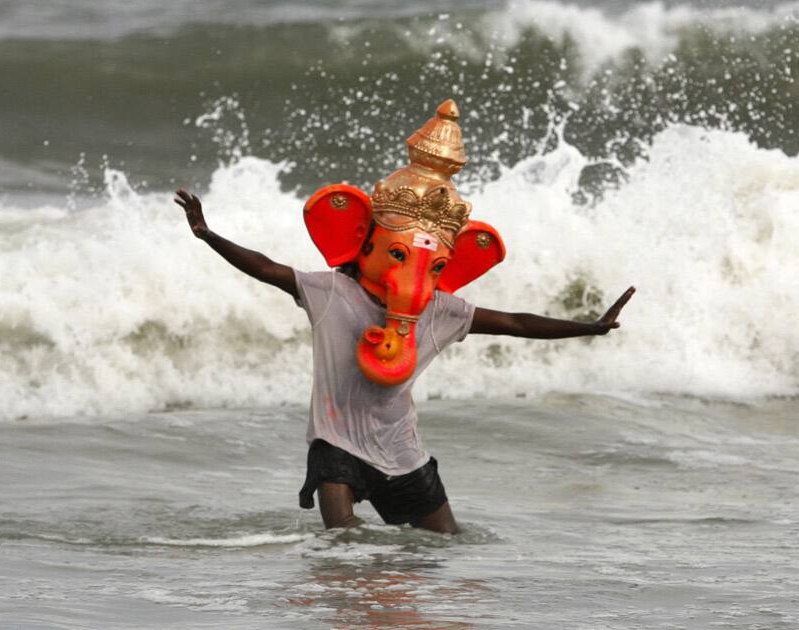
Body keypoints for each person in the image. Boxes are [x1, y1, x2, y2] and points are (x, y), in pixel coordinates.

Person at [174, 100, 634, 535]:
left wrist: (588, 327)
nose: (416, 276)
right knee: (344, 546)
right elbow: (265, 267)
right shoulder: (331, 292)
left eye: (433, 268)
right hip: (337, 446)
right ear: (365, 243)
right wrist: (207, 234)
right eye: (398, 255)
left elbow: (517, 323)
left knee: (447, 545)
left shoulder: (439, 311)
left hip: (402, 454)